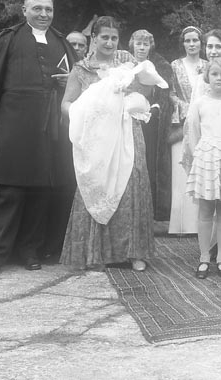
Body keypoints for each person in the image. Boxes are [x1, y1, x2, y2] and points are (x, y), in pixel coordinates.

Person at [0, 0, 77, 278]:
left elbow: (78, 84)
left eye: (48, 9)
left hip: (50, 129)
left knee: (40, 191)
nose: (44, 14)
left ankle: (30, 250)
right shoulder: (7, 39)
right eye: (37, 8)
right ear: (24, 10)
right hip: (14, 126)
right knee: (10, 190)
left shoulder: (61, 42)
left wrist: (69, 82)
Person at [60, 16, 156, 270]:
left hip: (127, 133)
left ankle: (134, 252)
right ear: (94, 38)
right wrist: (86, 110)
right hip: (97, 138)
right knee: (97, 187)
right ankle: (95, 252)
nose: (110, 43)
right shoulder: (81, 69)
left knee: (132, 184)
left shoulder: (127, 65)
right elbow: (66, 104)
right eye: (105, 37)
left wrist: (134, 94)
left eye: (114, 38)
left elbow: (145, 92)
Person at [184, 58, 221, 279]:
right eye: (215, 74)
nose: (219, 78)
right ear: (207, 77)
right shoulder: (199, 104)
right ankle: (204, 257)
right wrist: (200, 157)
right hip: (206, 158)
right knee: (206, 209)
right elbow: (193, 134)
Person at [128, 29, 175, 221]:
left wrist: (154, 109)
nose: (141, 48)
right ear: (132, 45)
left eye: (145, 44)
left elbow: (165, 95)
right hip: (127, 120)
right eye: (138, 43)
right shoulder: (125, 64)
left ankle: (150, 209)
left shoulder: (160, 66)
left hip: (150, 122)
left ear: (150, 47)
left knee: (148, 163)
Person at [168, 26, 206, 234]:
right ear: (183, 43)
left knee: (202, 172)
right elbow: (171, 93)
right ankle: (181, 225)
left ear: (201, 43)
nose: (192, 44)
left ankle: (201, 223)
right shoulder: (175, 65)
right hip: (182, 123)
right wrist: (186, 109)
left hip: (204, 124)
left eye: (195, 40)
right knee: (181, 172)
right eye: (188, 41)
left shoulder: (208, 65)